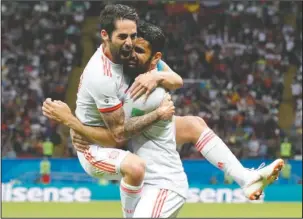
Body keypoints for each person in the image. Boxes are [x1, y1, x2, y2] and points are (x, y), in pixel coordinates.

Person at [43, 21, 284, 215]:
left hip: (162, 185)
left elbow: (115, 136)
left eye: (139, 51)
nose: (131, 54)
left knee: (186, 127)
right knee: (193, 124)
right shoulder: (135, 72)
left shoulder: (147, 96)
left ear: (155, 58)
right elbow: (176, 79)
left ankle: (246, 178)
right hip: (150, 181)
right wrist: (159, 76)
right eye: (129, 47)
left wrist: (74, 124)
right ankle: (246, 177)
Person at [43, 4, 177, 218]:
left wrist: (156, 76)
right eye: (123, 36)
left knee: (193, 124)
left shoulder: (130, 52)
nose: (129, 43)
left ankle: (244, 178)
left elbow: (177, 80)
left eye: (133, 36)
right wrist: (72, 123)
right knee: (136, 168)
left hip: (122, 129)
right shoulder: (101, 76)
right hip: (94, 147)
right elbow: (117, 136)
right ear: (105, 35)